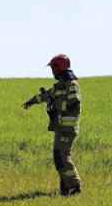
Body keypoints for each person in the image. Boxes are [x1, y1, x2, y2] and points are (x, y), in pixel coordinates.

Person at [23, 53, 83, 196]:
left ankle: (75, 186)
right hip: (60, 128)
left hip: (68, 129)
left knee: (62, 156)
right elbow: (46, 95)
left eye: (53, 68)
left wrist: (56, 105)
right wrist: (31, 102)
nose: (52, 72)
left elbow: (74, 104)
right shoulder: (60, 86)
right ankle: (66, 187)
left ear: (59, 68)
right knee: (59, 156)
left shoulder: (72, 85)